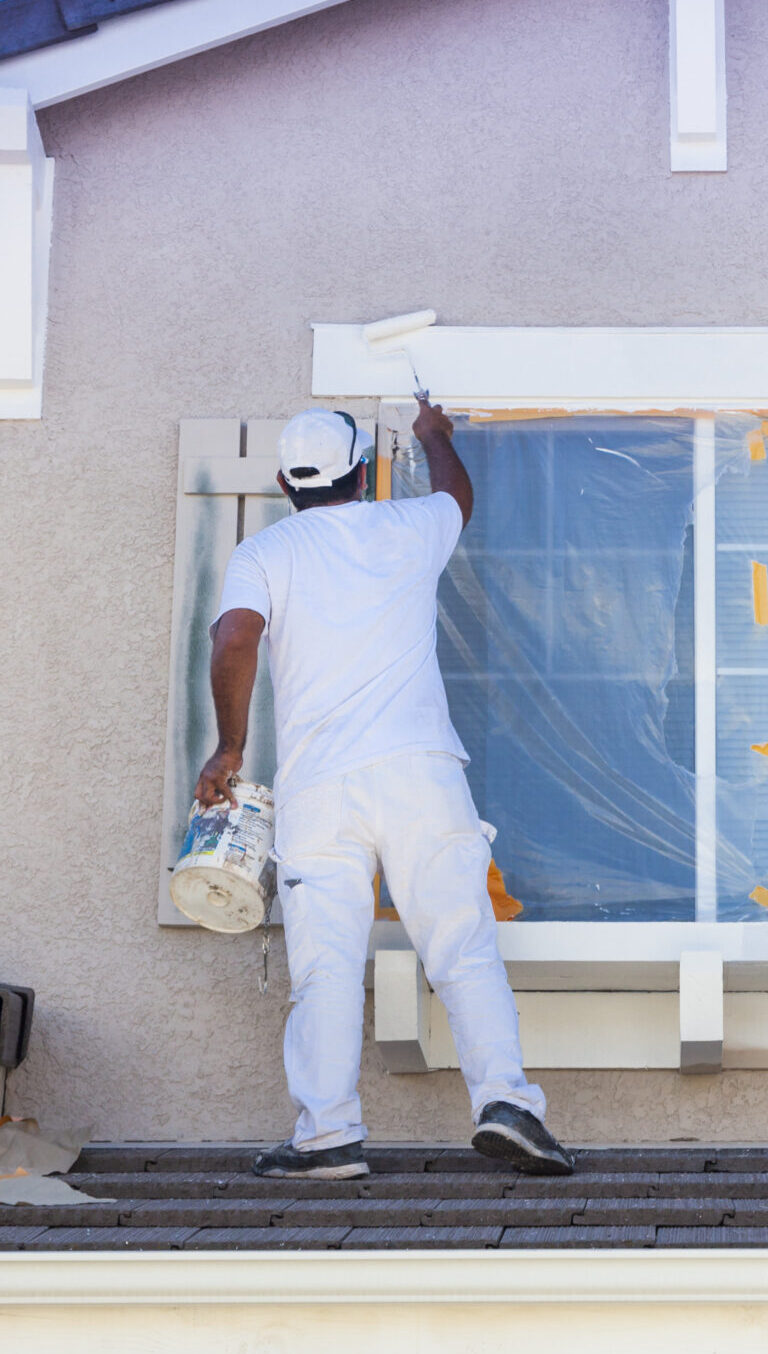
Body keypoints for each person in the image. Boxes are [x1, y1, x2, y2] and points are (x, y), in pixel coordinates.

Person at [195, 394, 573, 1180]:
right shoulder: (406, 527)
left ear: (281, 483)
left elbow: (235, 637)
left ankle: (327, 1136)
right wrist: (435, 436)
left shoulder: (265, 554)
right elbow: (455, 498)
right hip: (421, 775)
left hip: (320, 790)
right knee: (462, 946)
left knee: (326, 965)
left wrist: (229, 748)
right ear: (362, 473)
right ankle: (508, 1104)